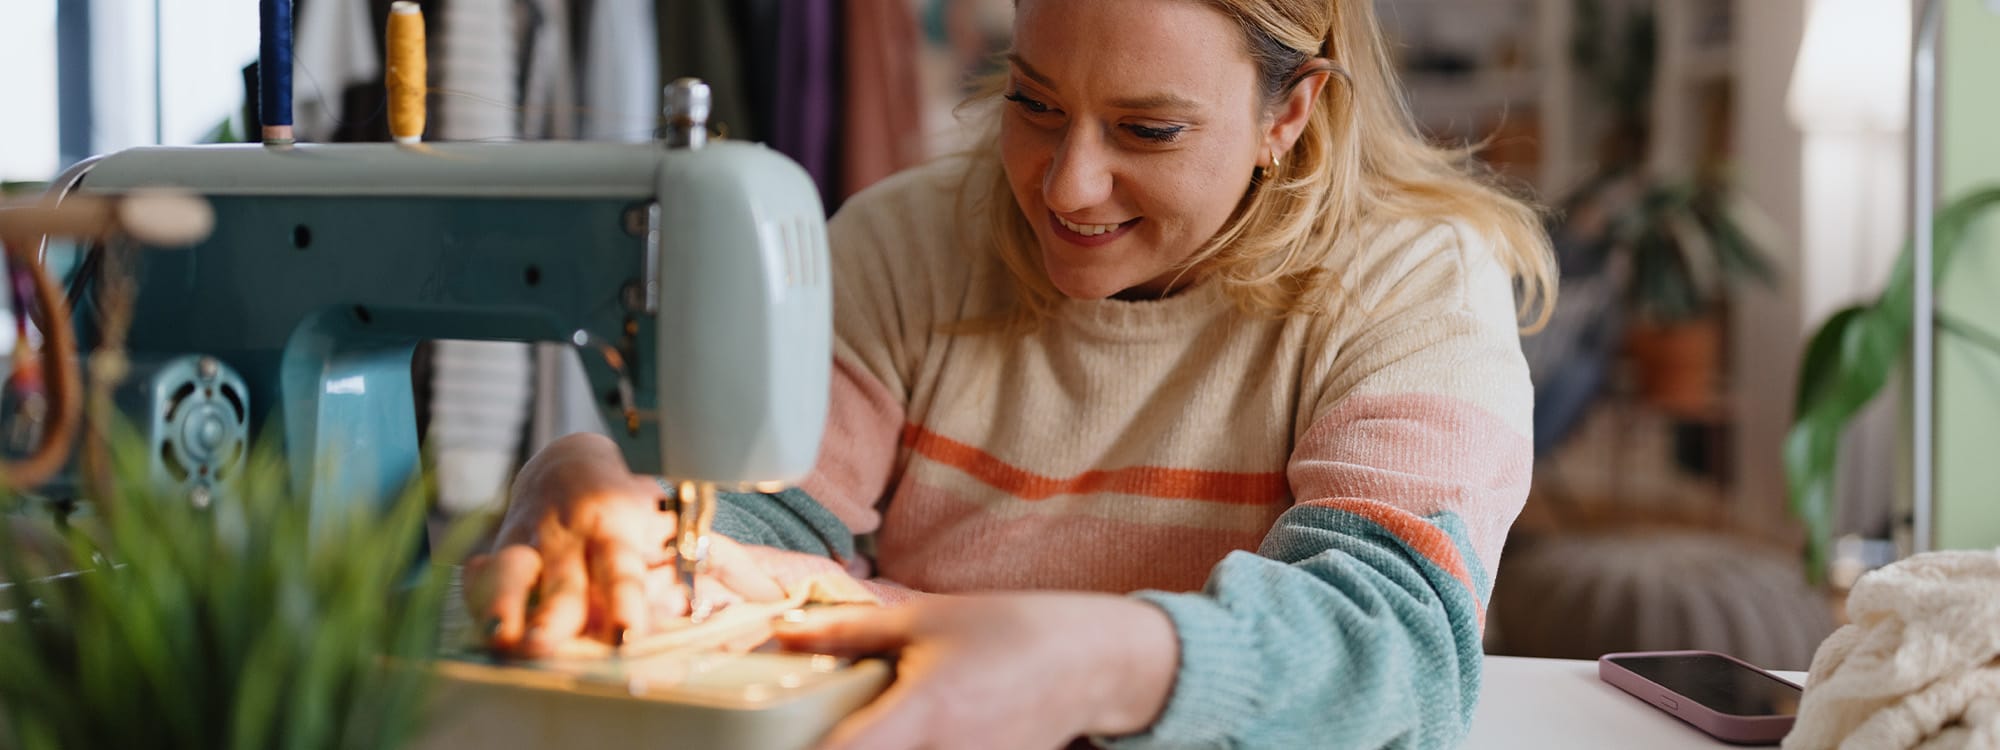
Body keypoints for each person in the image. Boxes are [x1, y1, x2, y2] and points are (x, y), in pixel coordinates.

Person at [464, 0, 1556, 747]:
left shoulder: (1412, 281)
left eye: (1147, 129)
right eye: (1032, 103)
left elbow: (1395, 642)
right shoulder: (905, 242)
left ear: (1289, 110)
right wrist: (625, 509)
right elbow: (759, 521)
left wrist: (1091, 664)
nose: (1067, 187)